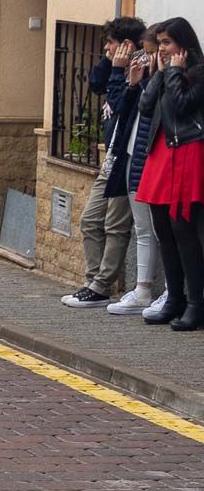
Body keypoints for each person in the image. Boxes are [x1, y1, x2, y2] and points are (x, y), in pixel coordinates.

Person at [60, 17, 145, 308]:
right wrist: (110, 61)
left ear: (127, 45)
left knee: (115, 224)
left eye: (109, 42)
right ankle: (93, 280)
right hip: (110, 158)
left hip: (125, 159)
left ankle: (101, 285)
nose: (105, 47)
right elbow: (95, 85)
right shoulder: (115, 66)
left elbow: (122, 104)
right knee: (89, 220)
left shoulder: (139, 71)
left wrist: (120, 68)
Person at [136, 18, 204, 330]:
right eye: (159, 43)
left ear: (183, 45)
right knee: (163, 229)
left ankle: (195, 304)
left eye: (166, 43)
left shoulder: (199, 73)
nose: (161, 49)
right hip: (161, 155)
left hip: (187, 154)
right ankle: (174, 298)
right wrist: (160, 74)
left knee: (184, 231)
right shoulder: (166, 73)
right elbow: (146, 107)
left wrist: (174, 72)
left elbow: (181, 107)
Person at [100, 22, 164, 316]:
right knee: (142, 229)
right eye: (148, 52)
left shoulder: (167, 80)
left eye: (152, 54)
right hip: (132, 157)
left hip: (154, 161)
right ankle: (142, 289)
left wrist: (162, 74)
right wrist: (130, 80)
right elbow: (118, 107)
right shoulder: (141, 81)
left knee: (160, 230)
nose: (148, 59)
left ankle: (160, 291)